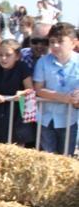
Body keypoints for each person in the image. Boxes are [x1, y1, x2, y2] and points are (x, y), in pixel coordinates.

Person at [33, 22, 79, 154]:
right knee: (48, 157)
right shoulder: (43, 62)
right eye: (52, 42)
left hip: (70, 119)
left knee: (66, 158)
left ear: (73, 43)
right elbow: (38, 88)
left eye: (60, 41)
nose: (55, 45)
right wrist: (62, 97)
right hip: (46, 119)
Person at [0, 39, 34, 145]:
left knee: (17, 144)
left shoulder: (22, 67)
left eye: (8, 55)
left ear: (17, 56)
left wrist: (22, 93)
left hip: (17, 112)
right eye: (0, 55)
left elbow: (30, 89)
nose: (3, 58)